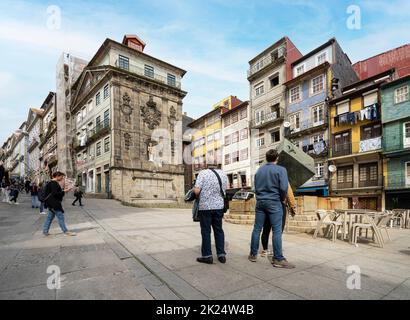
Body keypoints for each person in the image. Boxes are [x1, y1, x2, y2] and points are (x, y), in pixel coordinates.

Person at [249, 149, 295, 269]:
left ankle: (253, 254)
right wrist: (280, 199)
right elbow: (284, 188)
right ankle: (278, 259)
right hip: (274, 202)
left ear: (267, 158)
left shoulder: (259, 170)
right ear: (277, 158)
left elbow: (255, 187)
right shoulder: (281, 170)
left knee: (257, 229)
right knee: (277, 231)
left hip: (260, 202)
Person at [194, 164, 228, 264]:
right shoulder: (223, 174)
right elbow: (225, 190)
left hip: (205, 207)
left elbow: (197, 191)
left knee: (206, 231)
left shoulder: (203, 173)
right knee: (218, 230)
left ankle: (207, 256)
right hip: (219, 207)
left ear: (207, 165)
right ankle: (221, 254)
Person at [260, 184, 297, 257]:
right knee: (278, 230)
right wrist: (293, 206)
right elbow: (289, 192)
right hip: (279, 204)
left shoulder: (267, 177)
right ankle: (277, 253)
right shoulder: (281, 175)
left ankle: (265, 250)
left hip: (266, 203)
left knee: (266, 229)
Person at [42, 171, 76, 236]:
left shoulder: (50, 183)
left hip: (50, 204)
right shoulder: (54, 183)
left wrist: (63, 191)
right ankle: (66, 231)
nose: (62, 178)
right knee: (61, 217)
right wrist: (64, 191)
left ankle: (45, 231)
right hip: (54, 204)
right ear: (57, 176)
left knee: (50, 217)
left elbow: (54, 193)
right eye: (62, 177)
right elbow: (56, 194)